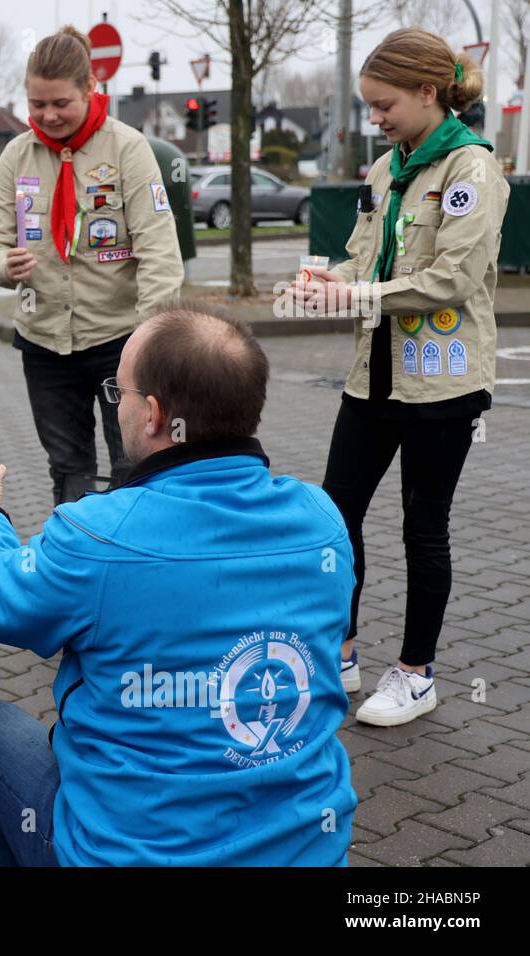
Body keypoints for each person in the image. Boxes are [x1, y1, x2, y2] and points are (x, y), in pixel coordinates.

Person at [0, 302, 356, 866]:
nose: (115, 408)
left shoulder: (98, 534)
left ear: (154, 415)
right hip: (304, 850)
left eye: (121, 393)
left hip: (132, 853)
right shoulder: (323, 521)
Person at [297, 29, 508, 727]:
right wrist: (334, 278)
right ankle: (343, 651)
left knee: (424, 526)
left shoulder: (472, 170)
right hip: (372, 379)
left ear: (428, 92)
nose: (376, 119)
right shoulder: (389, 168)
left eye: (384, 104)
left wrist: (356, 296)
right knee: (335, 516)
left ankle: (416, 674)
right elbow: (369, 262)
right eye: (370, 106)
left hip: (441, 385)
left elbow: (451, 279)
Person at [0, 25, 183, 503]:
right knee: (68, 469)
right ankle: (77, 567)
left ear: (91, 88)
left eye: (60, 103)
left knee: (134, 464)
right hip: (44, 342)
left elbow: (159, 251)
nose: (47, 116)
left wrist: (149, 339)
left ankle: (131, 567)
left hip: (119, 342)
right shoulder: (15, 156)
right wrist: (4, 266)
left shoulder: (128, 149)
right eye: (36, 105)